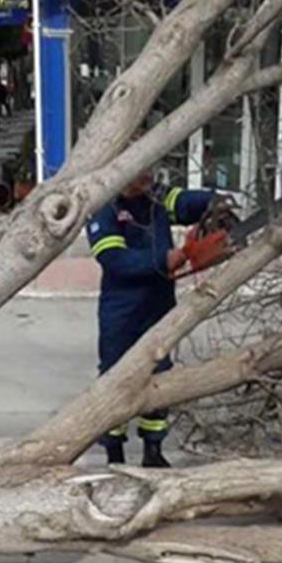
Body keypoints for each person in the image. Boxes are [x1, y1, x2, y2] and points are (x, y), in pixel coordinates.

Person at [87, 171, 215, 468]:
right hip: (122, 309)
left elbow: (182, 202)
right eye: (140, 175)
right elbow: (114, 260)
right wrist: (164, 259)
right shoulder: (104, 208)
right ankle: (114, 453)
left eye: (149, 173)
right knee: (115, 377)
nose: (147, 181)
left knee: (158, 377)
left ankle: (153, 450)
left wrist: (212, 201)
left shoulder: (155, 196)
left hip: (158, 304)